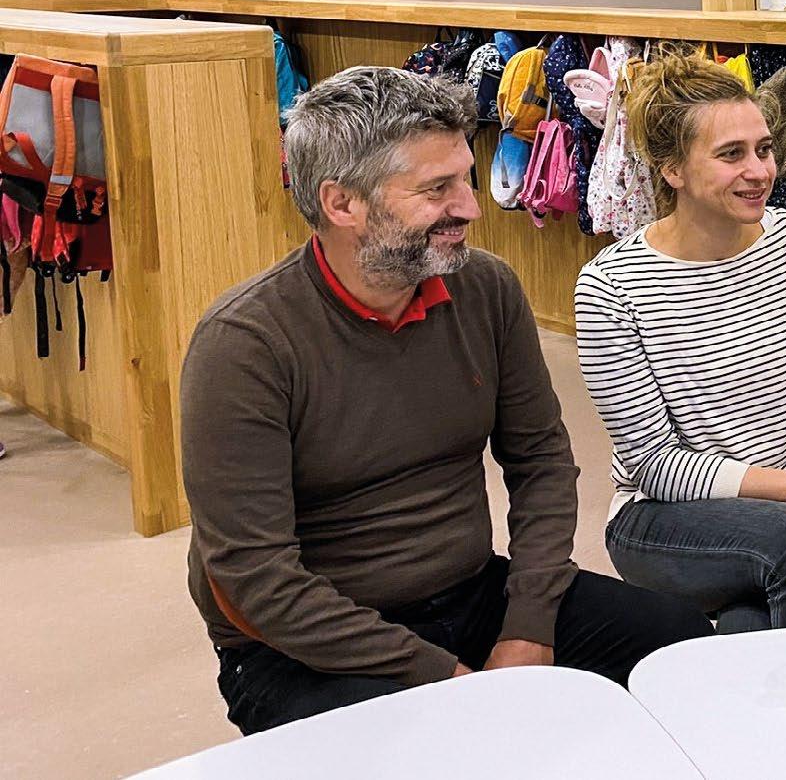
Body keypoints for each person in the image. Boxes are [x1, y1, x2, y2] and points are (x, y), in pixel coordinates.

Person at [181, 67, 712, 736]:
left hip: (472, 592)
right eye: (437, 190)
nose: (470, 207)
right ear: (341, 203)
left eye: (467, 179)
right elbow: (257, 579)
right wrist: (451, 683)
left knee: (683, 649)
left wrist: (528, 626)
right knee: (435, 752)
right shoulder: (244, 344)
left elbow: (543, 463)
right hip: (306, 645)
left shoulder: (485, 289)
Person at [579, 54, 786, 634]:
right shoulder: (612, 287)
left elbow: (784, 341)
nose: (759, 171)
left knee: (751, 630)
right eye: (731, 154)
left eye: (764, 149)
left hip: (774, 511)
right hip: (661, 518)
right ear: (672, 169)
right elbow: (654, 465)